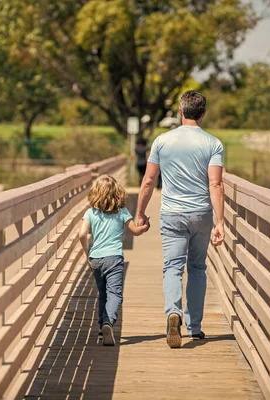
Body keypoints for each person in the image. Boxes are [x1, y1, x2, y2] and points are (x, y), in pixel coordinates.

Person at [135, 90, 225, 349]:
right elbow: (216, 184)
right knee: (197, 268)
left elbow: (149, 180)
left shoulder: (162, 141)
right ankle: (194, 327)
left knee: (172, 267)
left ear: (180, 111)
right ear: (203, 113)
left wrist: (140, 213)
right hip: (201, 214)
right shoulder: (213, 143)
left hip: (172, 214)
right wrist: (220, 222)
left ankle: (173, 314)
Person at [78, 175, 150, 346]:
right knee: (115, 294)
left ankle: (102, 329)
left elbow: (81, 234)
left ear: (95, 193)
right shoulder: (122, 211)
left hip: (95, 259)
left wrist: (87, 253)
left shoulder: (90, 213)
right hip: (114, 259)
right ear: (118, 193)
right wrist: (145, 226)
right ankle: (108, 322)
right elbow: (135, 231)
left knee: (102, 293)